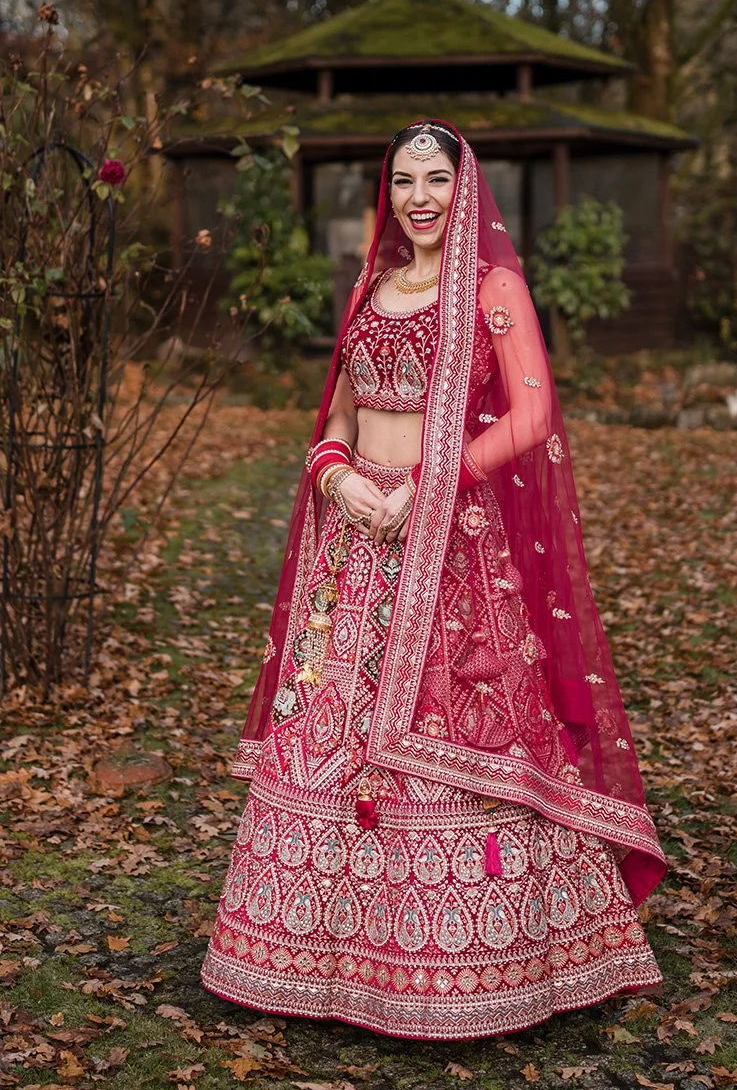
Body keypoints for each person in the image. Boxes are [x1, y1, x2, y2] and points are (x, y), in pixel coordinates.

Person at [201, 120, 666, 1041]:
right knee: (324, 738)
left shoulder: (492, 290)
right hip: (352, 551)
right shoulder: (372, 287)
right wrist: (335, 475)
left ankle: (459, 970)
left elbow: (532, 415)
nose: (420, 196)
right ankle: (311, 957)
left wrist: (424, 491)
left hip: (445, 542)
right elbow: (338, 406)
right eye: (404, 180)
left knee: (458, 731)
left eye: (437, 179)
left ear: (465, 188)